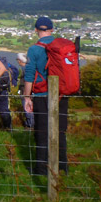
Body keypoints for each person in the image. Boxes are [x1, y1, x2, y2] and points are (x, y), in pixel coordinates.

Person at [23, 17, 69, 176]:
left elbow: (29, 75)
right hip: (62, 95)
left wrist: (27, 97)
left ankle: (41, 170)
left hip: (42, 95)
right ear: (52, 30)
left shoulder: (34, 49)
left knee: (42, 133)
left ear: (36, 30)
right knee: (60, 132)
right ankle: (62, 167)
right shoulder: (62, 47)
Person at [16, 53, 34, 129]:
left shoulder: (24, 69)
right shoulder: (29, 68)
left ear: (20, 61)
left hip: (26, 92)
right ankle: (30, 124)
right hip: (30, 92)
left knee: (27, 109)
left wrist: (25, 93)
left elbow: (26, 82)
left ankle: (30, 125)